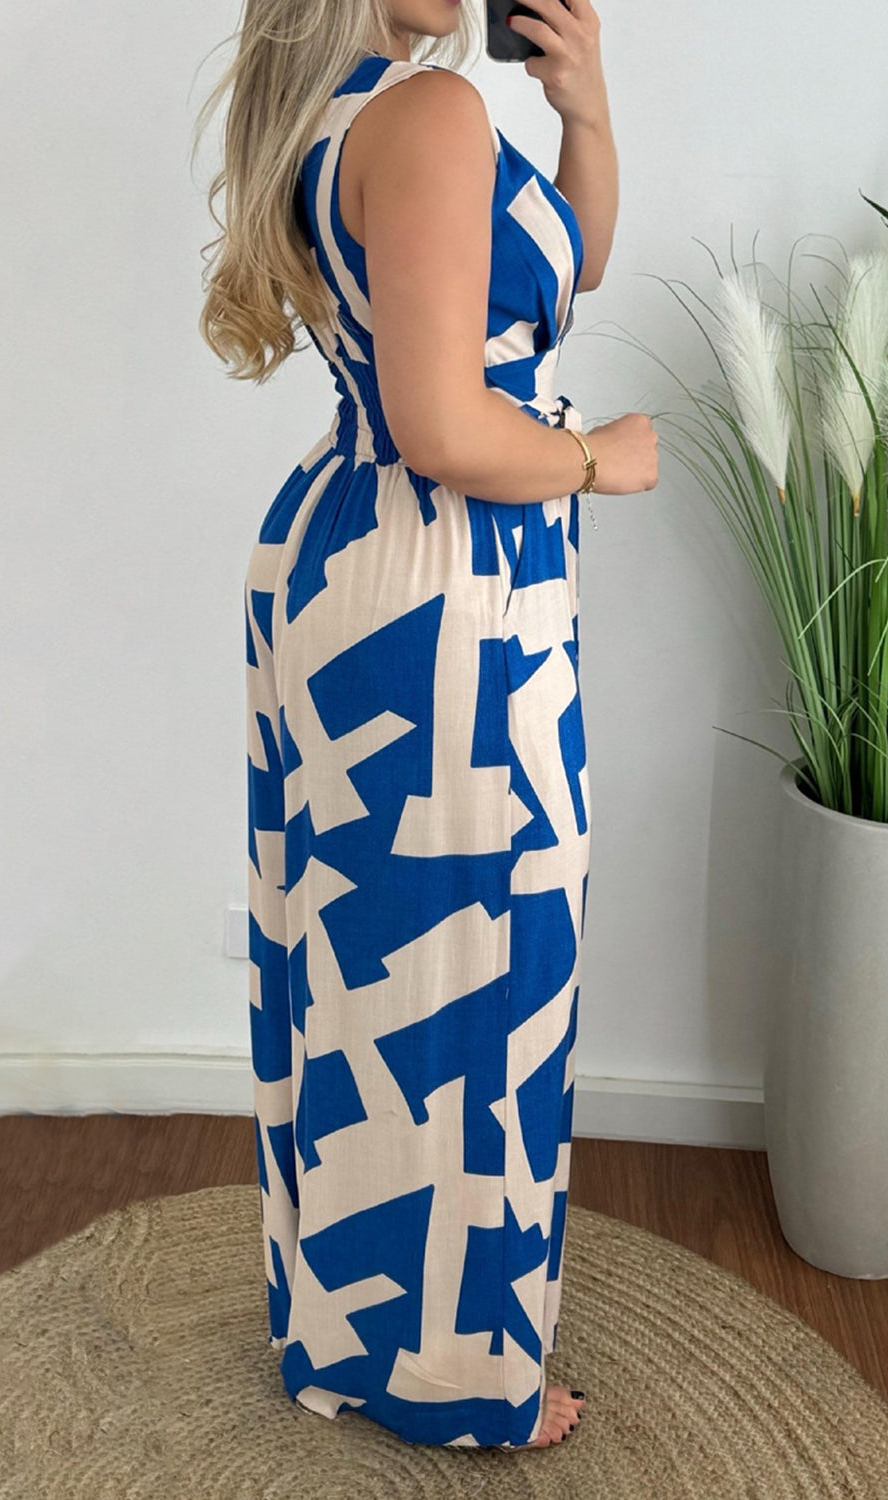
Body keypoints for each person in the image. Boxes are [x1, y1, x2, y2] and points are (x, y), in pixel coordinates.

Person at [196, 0, 658, 1456]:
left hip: (365, 561)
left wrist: (583, 105)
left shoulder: (354, 111)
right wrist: (597, 457)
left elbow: (564, 271)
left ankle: (359, 1329)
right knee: (479, 968)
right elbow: (449, 426)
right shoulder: (430, 115)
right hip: (452, 579)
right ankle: (458, 1374)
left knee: (373, 967)